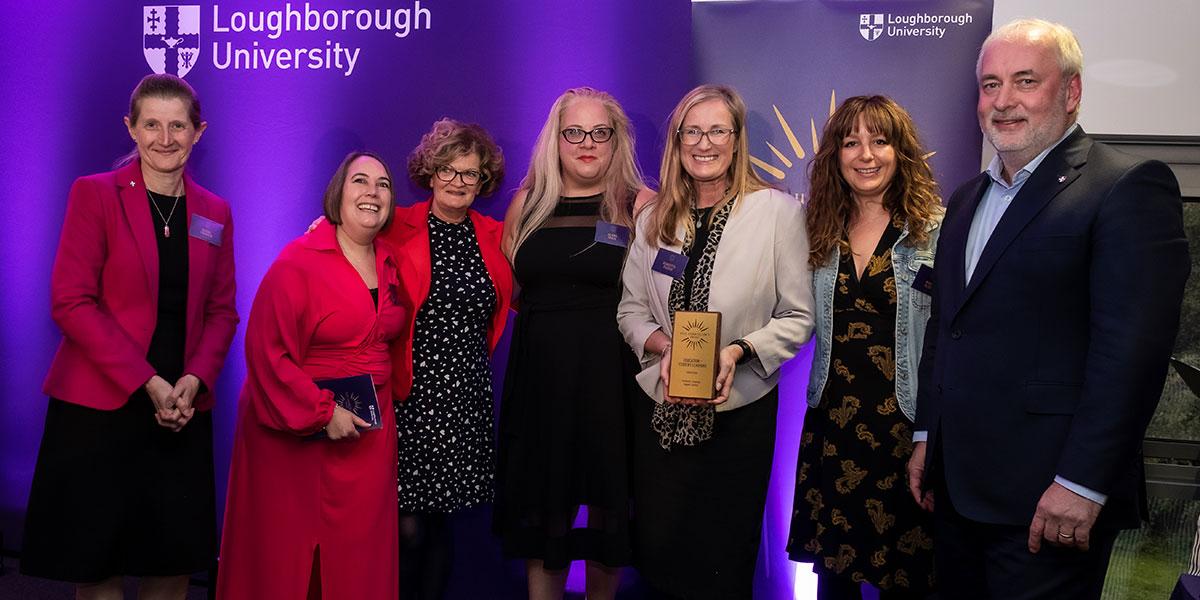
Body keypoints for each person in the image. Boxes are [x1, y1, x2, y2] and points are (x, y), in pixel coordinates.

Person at [906, 18, 1190, 600]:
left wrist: (1082, 483)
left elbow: (1130, 354)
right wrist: (926, 435)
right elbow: (946, 327)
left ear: (1071, 92)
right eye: (989, 85)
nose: (1002, 101)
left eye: (1024, 81)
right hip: (957, 493)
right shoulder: (965, 199)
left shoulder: (1126, 187)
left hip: (1050, 502)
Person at [21, 73, 238, 600]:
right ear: (132, 129)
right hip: (100, 405)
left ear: (198, 131)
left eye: (178, 126)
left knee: (172, 561)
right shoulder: (94, 194)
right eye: (152, 125)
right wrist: (148, 381)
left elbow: (221, 311)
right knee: (99, 563)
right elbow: (70, 301)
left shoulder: (215, 212)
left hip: (180, 411)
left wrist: (193, 379)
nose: (166, 138)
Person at [616, 84, 816, 599]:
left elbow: (798, 316)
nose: (704, 143)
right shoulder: (652, 218)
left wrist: (737, 351)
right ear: (678, 140)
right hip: (661, 413)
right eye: (693, 131)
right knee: (660, 553)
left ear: (737, 139)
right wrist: (663, 347)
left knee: (722, 558)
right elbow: (631, 310)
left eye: (718, 131)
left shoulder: (775, 212)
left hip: (739, 415)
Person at [217, 152, 405, 599]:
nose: (372, 192)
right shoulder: (298, 262)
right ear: (338, 193)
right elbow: (267, 354)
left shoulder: (392, 262)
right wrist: (323, 413)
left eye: (383, 184)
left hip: (368, 436)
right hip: (296, 431)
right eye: (360, 181)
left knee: (358, 562)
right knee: (286, 561)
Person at [494, 87, 655, 600]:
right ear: (556, 139)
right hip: (540, 377)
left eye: (599, 133)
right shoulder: (528, 202)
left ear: (616, 141)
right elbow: (506, 288)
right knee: (545, 504)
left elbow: (666, 286)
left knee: (608, 506)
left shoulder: (639, 204)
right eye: (574, 133)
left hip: (612, 378)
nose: (586, 143)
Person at [787, 95, 942, 599]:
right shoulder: (816, 230)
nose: (866, 154)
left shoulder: (934, 231)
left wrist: (935, 433)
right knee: (835, 580)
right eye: (851, 142)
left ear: (901, 151)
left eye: (880, 141)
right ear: (835, 155)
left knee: (909, 579)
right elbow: (788, 314)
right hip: (834, 425)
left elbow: (951, 337)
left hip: (906, 427)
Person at [383, 119, 513, 600]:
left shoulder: (497, 235)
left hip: (466, 398)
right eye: (448, 170)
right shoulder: (396, 224)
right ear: (430, 172)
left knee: (441, 524)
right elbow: (344, 232)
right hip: (411, 395)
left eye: (470, 173)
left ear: (484, 181)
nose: (458, 182)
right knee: (406, 524)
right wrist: (323, 226)